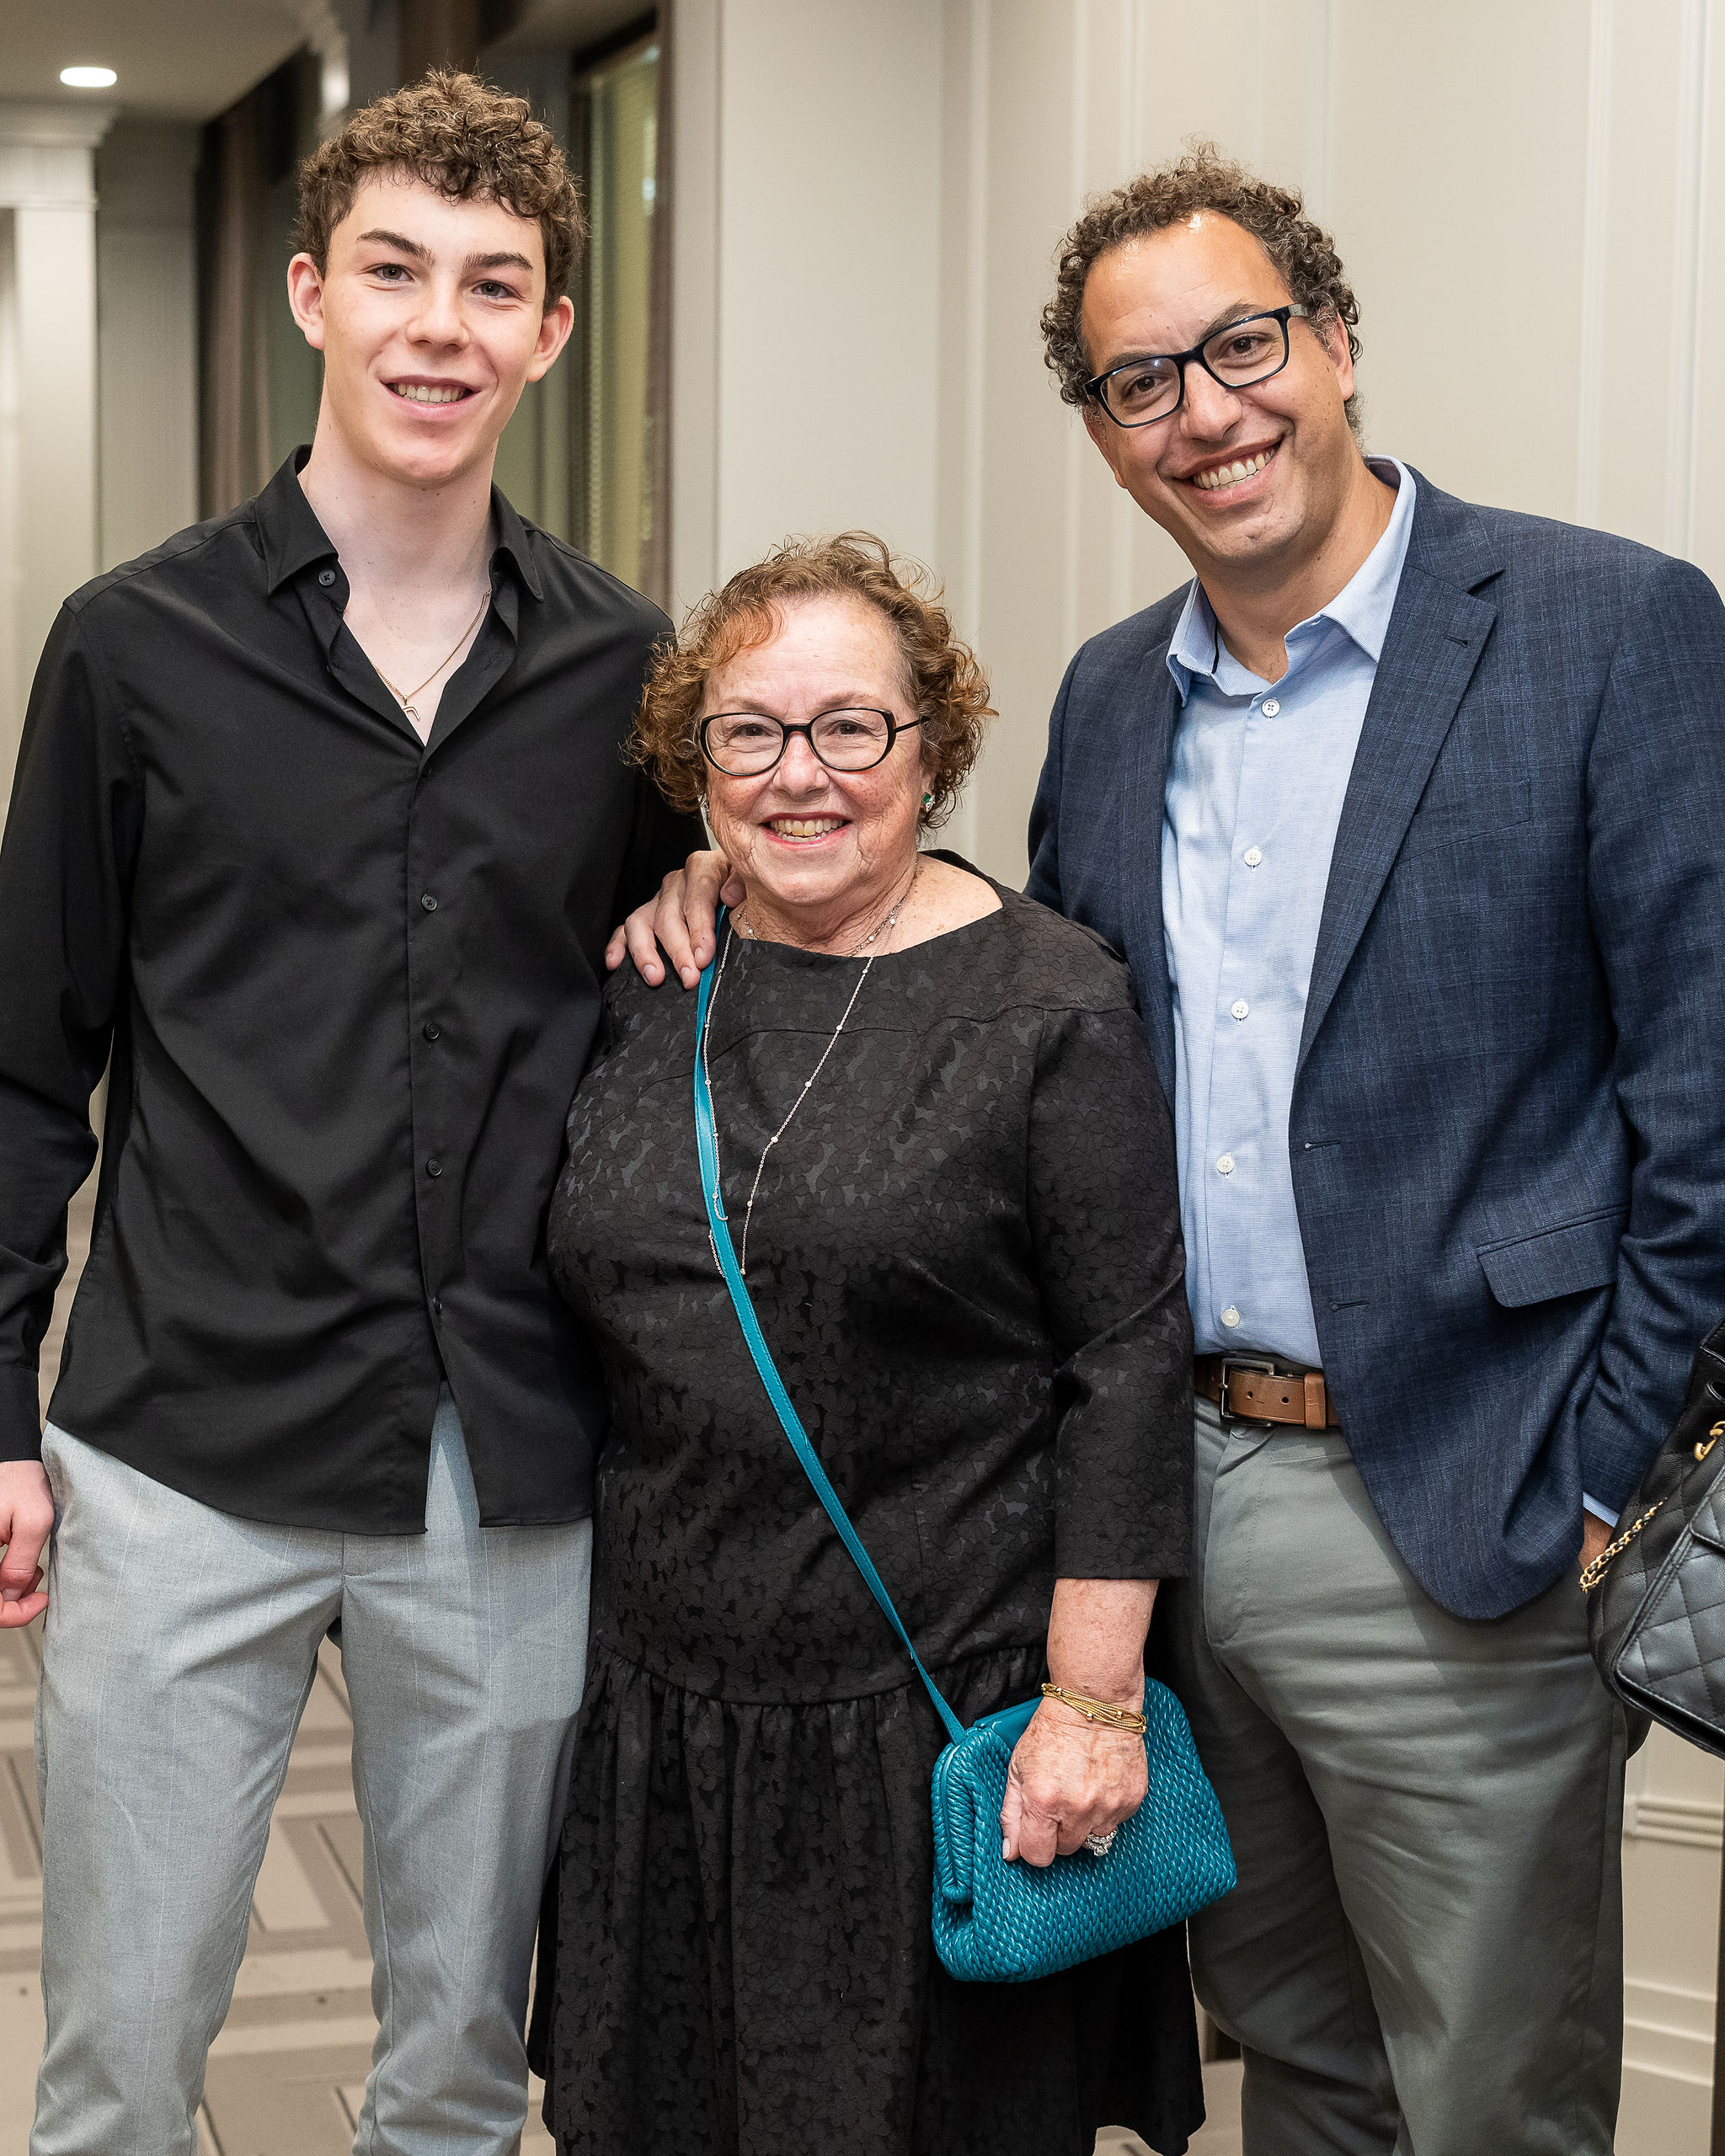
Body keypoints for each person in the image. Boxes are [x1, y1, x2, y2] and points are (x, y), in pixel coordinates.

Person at [614, 147, 1725, 2155]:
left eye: (1241, 345)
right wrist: (749, 868)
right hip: (1170, 1507)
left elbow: (1703, 1100)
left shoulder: (1606, 627)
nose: (1205, 411)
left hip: (1465, 1507)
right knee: (1292, 2051)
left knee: (1490, 2095)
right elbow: (1030, 1020)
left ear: (1336, 341)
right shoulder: (1117, 696)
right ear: (1104, 431)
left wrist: (1594, 1475)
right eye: (1141, 381)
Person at [0, 72, 702, 2156]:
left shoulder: (629, 673)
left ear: (550, 331)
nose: (437, 326)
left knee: (460, 2072)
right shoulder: (130, 648)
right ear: (314, 293)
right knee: (119, 2062)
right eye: (395, 270)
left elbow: (666, 1003)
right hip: (180, 1448)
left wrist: (699, 896)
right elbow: (26, 1062)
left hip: (501, 1461)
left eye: (493, 285)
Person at [539, 533, 1204, 2156]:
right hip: (665, 1719)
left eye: (850, 726)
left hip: (928, 1721)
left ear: (932, 747)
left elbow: (1126, 1365)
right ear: (697, 766)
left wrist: (1095, 1703)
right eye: (750, 732)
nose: (800, 774)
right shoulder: (651, 975)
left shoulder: (1047, 1001)